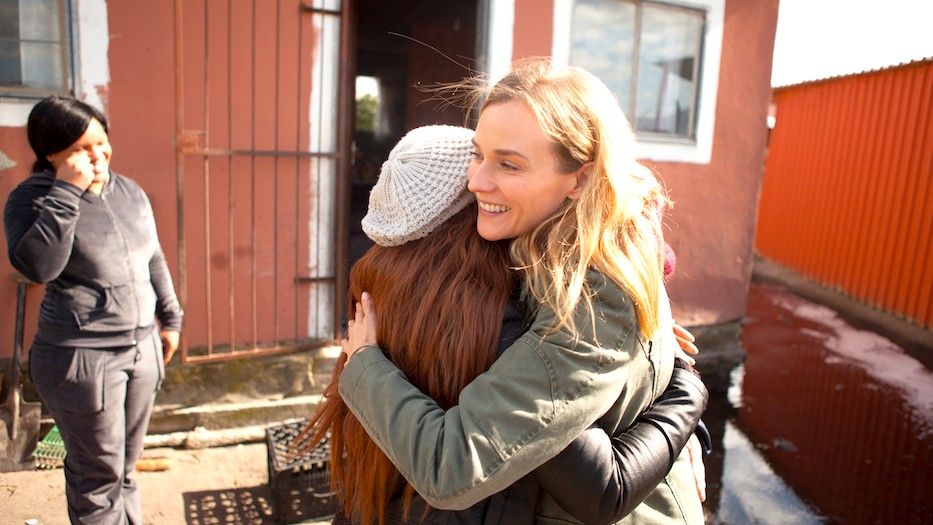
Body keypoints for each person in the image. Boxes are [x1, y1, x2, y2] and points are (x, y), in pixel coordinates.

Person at [339, 59, 705, 524]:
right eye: (477, 153)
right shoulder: (542, 238)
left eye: (508, 164)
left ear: (580, 178)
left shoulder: (593, 296)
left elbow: (454, 467)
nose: (476, 181)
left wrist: (365, 364)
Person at [4, 96, 183, 524]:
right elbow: (38, 266)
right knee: (97, 478)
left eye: (102, 142)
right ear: (51, 154)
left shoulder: (129, 192)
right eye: (81, 148)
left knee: (123, 470)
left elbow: (152, 255)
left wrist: (171, 317)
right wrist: (67, 191)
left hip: (141, 351)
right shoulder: (32, 199)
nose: (97, 155)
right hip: (81, 359)